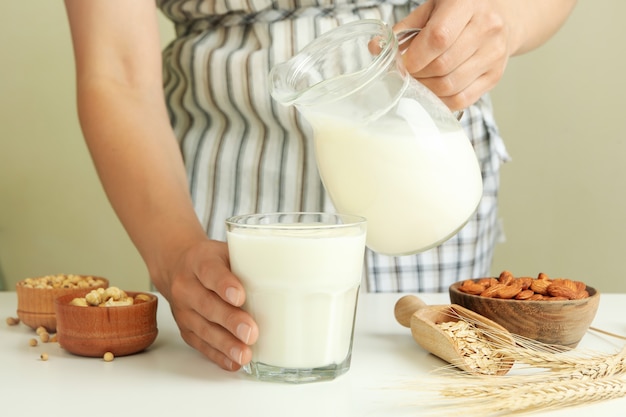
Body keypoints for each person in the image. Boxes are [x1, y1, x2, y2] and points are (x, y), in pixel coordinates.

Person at [63, 0, 577, 371]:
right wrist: (174, 248)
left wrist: (503, 19)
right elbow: (117, 72)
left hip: (421, 145)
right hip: (216, 191)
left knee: (427, 383)